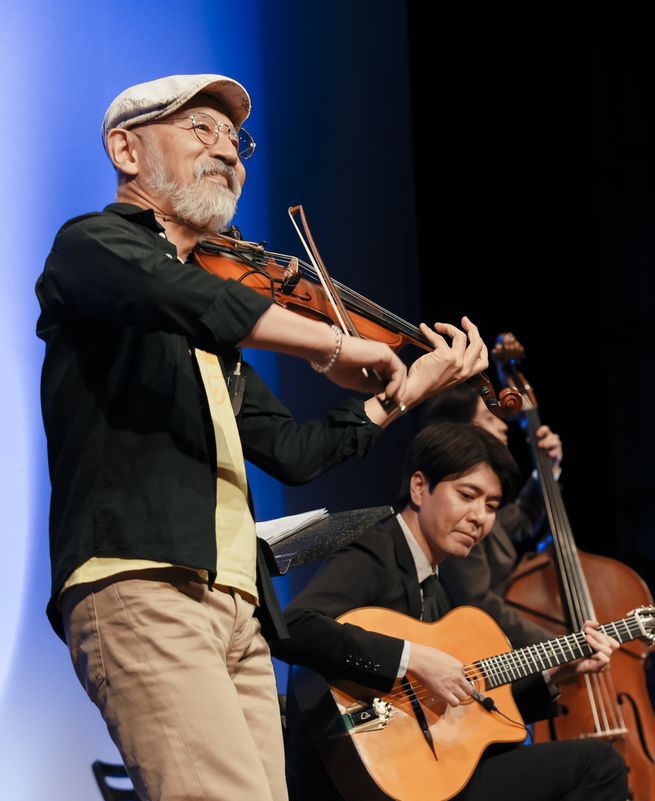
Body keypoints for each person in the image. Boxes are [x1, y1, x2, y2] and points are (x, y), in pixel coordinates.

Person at [37, 74, 488, 801]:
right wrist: (331, 345)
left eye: (236, 140)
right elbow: (185, 296)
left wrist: (403, 394)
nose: (228, 152)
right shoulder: (90, 247)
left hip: (238, 607)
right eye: (201, 130)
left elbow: (293, 452)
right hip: (144, 580)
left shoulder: (214, 332)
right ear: (126, 150)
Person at [273, 422, 630, 801]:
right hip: (349, 772)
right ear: (419, 487)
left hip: (418, 771)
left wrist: (557, 670)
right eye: (467, 495)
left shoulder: (436, 589)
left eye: (491, 506)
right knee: (598, 764)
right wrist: (412, 658)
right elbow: (294, 626)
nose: (480, 517)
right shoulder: (376, 551)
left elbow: (475, 712)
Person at [424, 382, 562, 646]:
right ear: (463, 429)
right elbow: (476, 602)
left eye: (489, 505)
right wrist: (557, 646)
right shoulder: (457, 512)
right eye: (489, 418)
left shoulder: (484, 504)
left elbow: (522, 518)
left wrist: (548, 469)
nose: (503, 425)